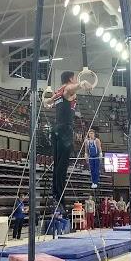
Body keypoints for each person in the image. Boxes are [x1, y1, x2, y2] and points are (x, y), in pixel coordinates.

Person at [46, 70, 95, 206]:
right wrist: (84, 83)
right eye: (74, 79)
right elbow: (77, 86)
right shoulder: (68, 89)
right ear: (71, 78)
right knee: (62, 165)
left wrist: (46, 102)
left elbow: (48, 102)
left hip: (56, 129)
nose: (75, 81)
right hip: (65, 130)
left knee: (57, 164)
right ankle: (59, 199)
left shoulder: (58, 92)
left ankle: (55, 194)